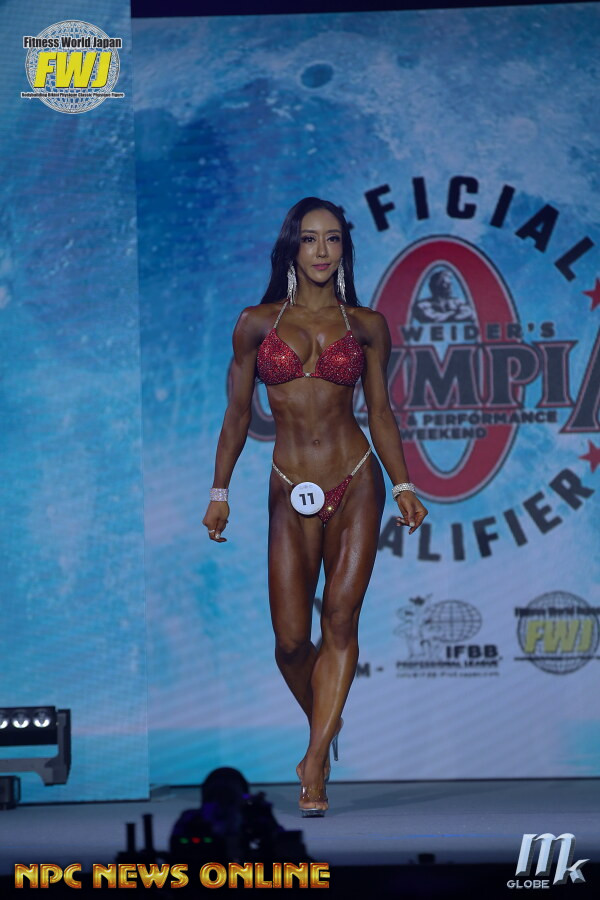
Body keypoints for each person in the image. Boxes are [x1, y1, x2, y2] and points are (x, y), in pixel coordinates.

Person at [202, 197, 428, 817]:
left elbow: (380, 413)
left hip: (356, 481)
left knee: (341, 621)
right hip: (288, 485)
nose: (322, 250)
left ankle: (315, 764)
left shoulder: (367, 325)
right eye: (310, 239)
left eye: (332, 239)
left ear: (344, 249)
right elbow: (237, 416)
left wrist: (404, 486)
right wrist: (219, 492)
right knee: (290, 642)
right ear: (291, 248)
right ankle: (324, 723)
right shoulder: (255, 324)